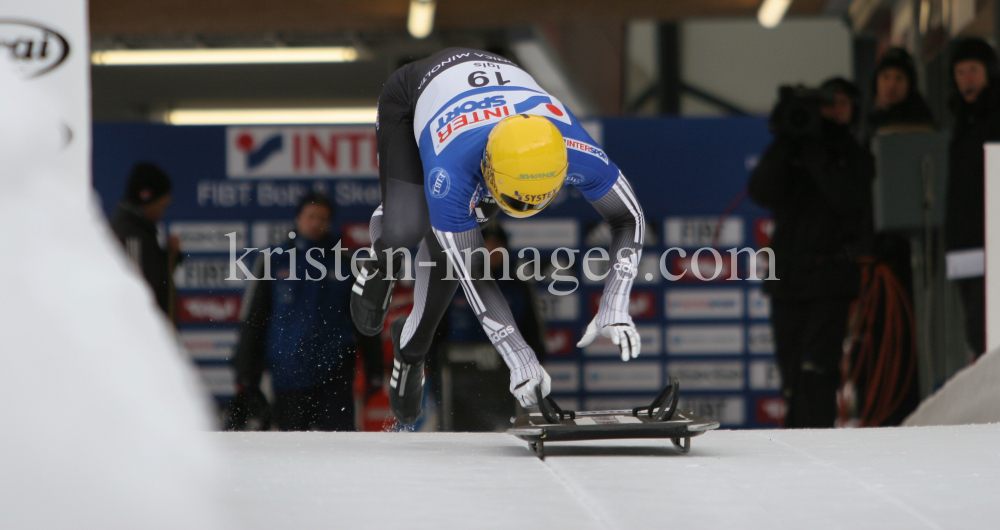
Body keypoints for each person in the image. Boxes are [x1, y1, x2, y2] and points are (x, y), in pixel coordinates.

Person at [351, 47, 645, 424]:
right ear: (488, 172)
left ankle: (412, 349)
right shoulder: (454, 172)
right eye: (509, 200)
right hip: (414, 95)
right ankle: (380, 260)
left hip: (490, 101)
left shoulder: (576, 149)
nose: (516, 211)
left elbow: (628, 217)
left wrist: (615, 302)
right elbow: (475, 275)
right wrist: (518, 356)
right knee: (409, 226)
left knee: (446, 256)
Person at [749, 78, 875, 428]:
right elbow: (762, 191)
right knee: (791, 371)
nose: (834, 110)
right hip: (787, 276)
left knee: (817, 370)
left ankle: (818, 436)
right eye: (827, 103)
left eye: (842, 103)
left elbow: (848, 201)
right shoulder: (791, 148)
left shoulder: (855, 153)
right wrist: (789, 141)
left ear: (854, 110)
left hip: (831, 279)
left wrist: (817, 155)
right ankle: (795, 439)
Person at [230, 192, 383, 431]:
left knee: (339, 452)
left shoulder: (346, 262)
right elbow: (254, 319)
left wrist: (375, 368)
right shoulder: (273, 261)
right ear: (298, 219)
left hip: (335, 376)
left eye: (322, 218)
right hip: (288, 374)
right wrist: (246, 373)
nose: (316, 223)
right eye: (311, 216)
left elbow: (365, 319)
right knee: (291, 455)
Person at [946, 38, 1000, 359]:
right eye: (960, 71)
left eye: (973, 70)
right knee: (976, 330)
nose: (966, 79)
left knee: (985, 331)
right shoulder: (961, 122)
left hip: (990, 241)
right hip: (966, 243)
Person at [109, 162, 181, 317]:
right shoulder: (131, 236)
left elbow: (154, 280)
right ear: (147, 197)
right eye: (163, 205)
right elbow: (137, 293)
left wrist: (169, 257)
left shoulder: (140, 231)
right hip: (135, 336)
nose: (163, 212)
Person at [863, 47, 935, 144]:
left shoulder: (919, 122)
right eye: (886, 76)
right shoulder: (870, 119)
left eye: (899, 77)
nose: (891, 85)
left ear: (910, 84)